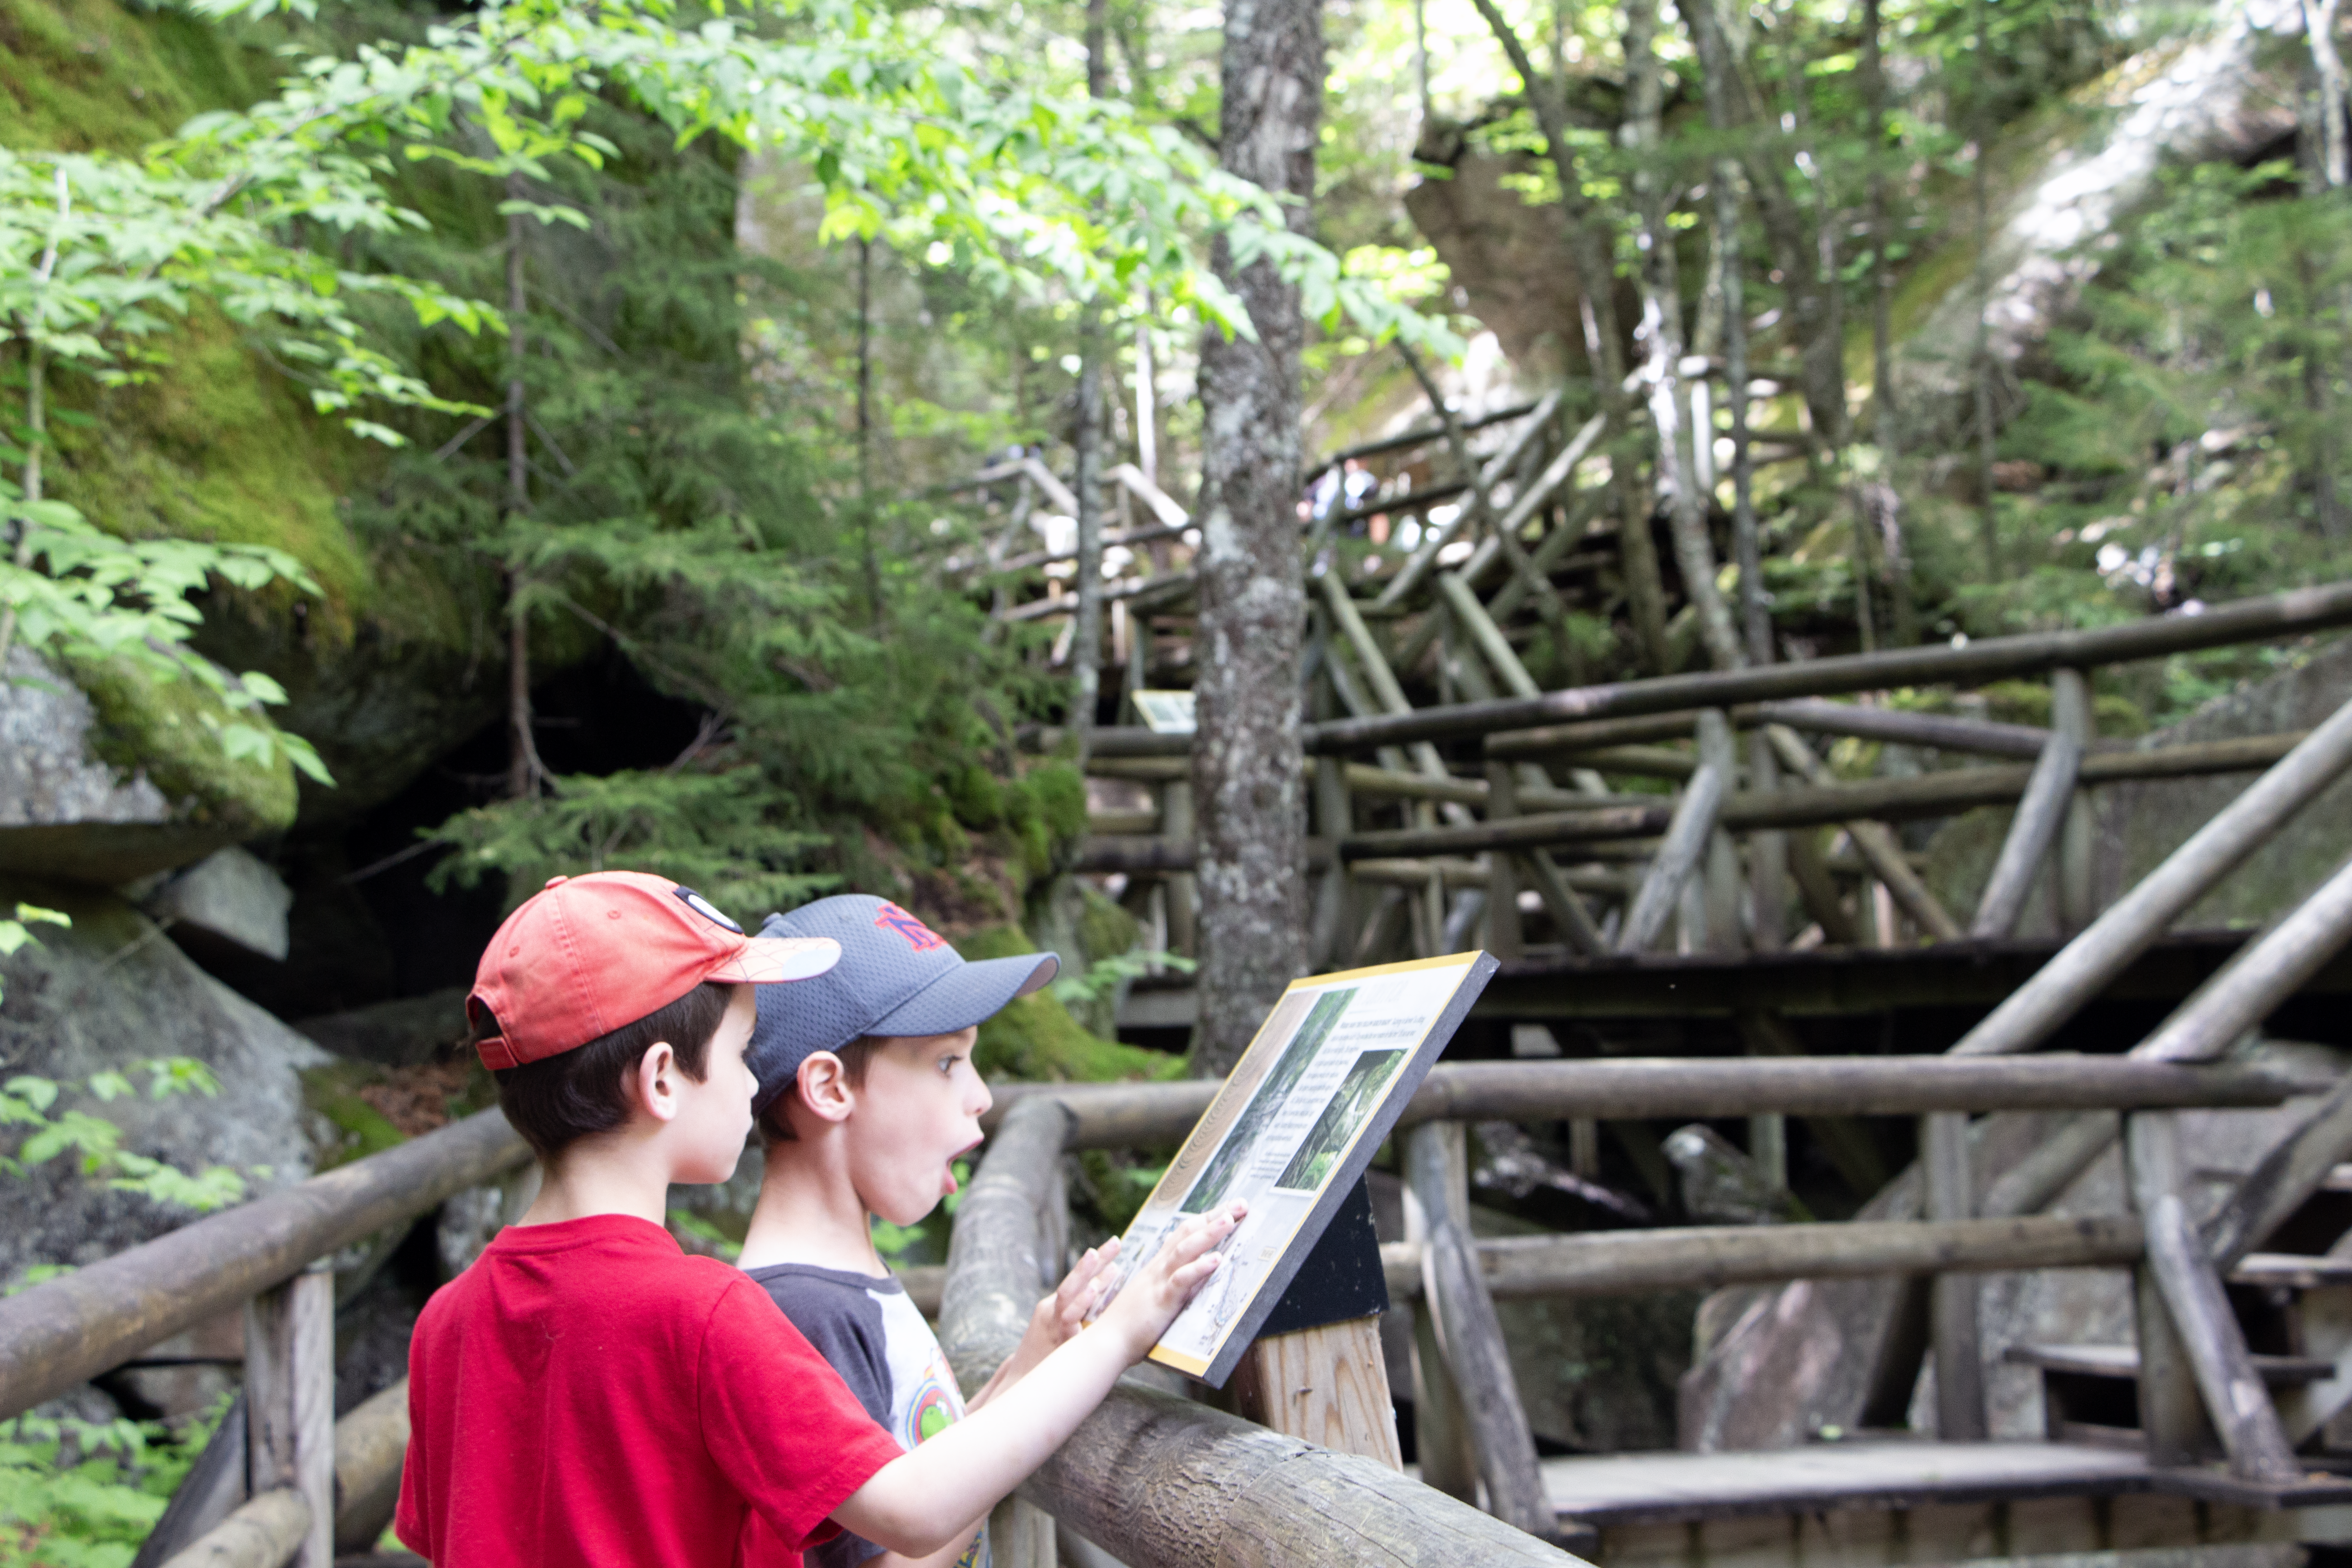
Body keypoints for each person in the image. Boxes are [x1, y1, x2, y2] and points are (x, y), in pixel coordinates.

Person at [395, 873, 1240, 1568]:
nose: (752, 1080)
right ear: (662, 1080)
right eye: (737, 1054)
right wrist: (1117, 1336)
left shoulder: (446, 1324)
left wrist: (1029, 1366)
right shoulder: (706, 1314)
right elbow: (911, 1513)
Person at [734, 894, 1115, 1568]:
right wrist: (1118, 1339)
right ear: (828, 1089)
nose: (983, 1096)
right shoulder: (802, 1313)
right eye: (947, 1063)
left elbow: (929, 1468)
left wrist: (1032, 1362)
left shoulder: (839, 1283)